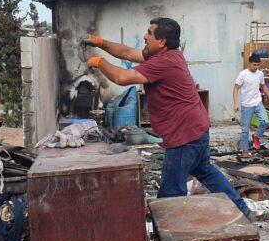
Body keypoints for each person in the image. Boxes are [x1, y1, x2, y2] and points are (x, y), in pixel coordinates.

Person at [82, 17, 252, 218]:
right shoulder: (170, 55)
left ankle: (172, 233)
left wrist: (98, 62)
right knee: (205, 170)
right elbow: (128, 52)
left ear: (162, 41)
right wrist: (100, 43)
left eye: (149, 33)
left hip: (183, 134)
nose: (145, 36)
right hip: (196, 128)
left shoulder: (163, 62)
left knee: (171, 191)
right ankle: (242, 210)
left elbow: (122, 77)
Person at [233, 54, 269, 153]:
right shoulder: (243, 74)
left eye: (258, 65)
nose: (256, 67)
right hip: (246, 105)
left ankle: (257, 136)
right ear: (249, 63)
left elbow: (263, 86)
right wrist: (235, 103)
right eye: (254, 65)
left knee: (265, 121)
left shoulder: (260, 74)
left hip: (258, 102)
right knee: (245, 130)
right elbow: (236, 89)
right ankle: (245, 150)